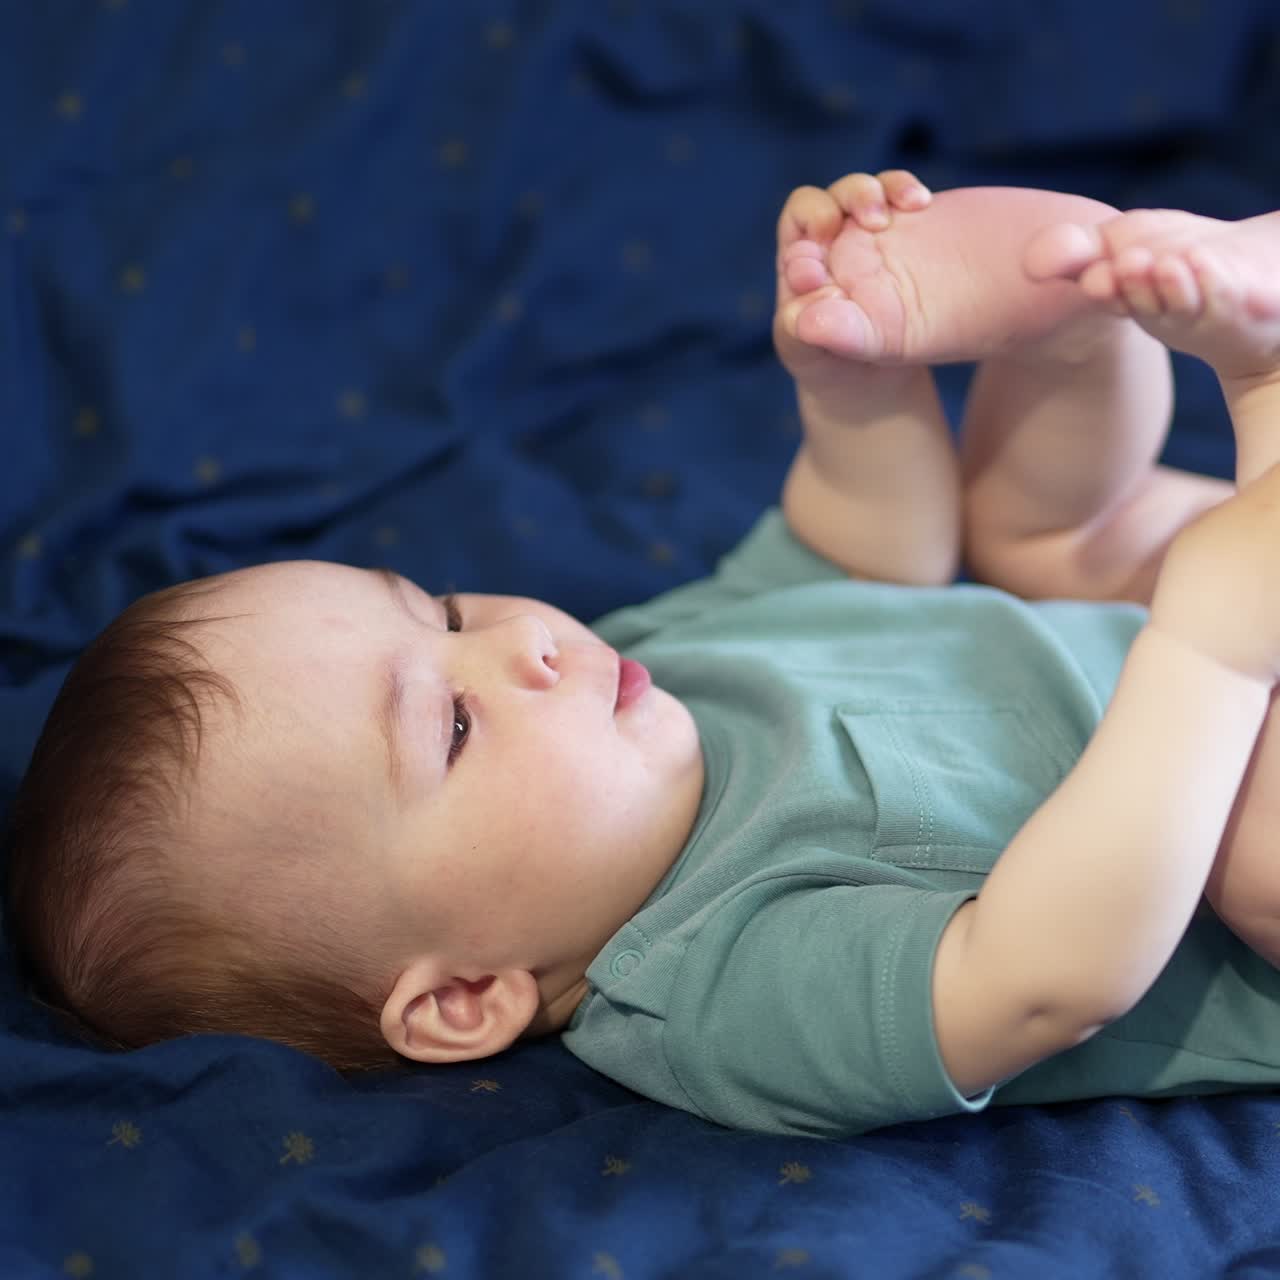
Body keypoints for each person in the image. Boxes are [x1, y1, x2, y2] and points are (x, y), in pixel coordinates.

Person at [6, 170, 1280, 1139]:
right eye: (450, 725)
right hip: (1226, 808)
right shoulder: (710, 988)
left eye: (442, 611)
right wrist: (1210, 658)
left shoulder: (642, 673)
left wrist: (852, 383)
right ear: (465, 997)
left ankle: (1076, 311)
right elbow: (1048, 975)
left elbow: (859, 563)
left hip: (1182, 645)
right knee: (1252, 860)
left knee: (1032, 533)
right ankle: (1258, 385)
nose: (522, 647)